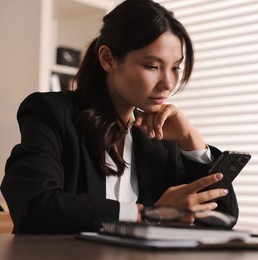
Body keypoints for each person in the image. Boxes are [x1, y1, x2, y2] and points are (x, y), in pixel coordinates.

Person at [0, 0, 238, 234]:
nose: (168, 84)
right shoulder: (51, 112)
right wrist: (148, 213)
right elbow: (34, 207)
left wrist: (190, 139)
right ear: (108, 59)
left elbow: (222, 218)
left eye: (175, 68)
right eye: (152, 66)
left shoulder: (160, 137)